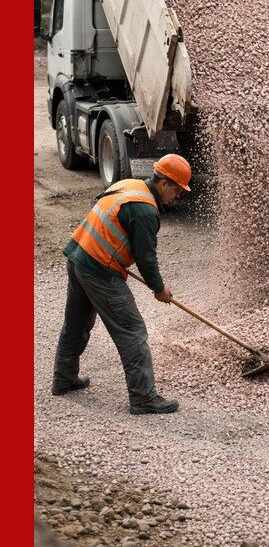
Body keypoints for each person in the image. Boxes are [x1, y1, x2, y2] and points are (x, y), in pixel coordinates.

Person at [51, 154, 192, 415]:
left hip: (78, 256)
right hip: (100, 271)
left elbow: (98, 206)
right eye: (177, 190)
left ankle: (63, 379)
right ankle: (143, 397)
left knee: (76, 323)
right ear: (164, 183)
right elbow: (146, 258)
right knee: (132, 331)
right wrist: (159, 289)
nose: (178, 196)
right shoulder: (146, 210)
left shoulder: (128, 185)